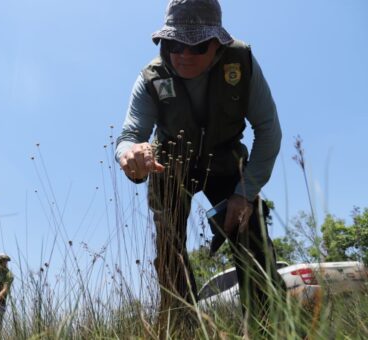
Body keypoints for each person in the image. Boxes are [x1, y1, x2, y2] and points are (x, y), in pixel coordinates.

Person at [115, 0, 284, 335]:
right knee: (168, 250)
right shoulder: (151, 77)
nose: (183, 54)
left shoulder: (242, 63)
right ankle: (183, 329)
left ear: (218, 43)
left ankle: (269, 329)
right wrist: (131, 157)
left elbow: (268, 130)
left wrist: (244, 193)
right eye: (174, 43)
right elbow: (129, 136)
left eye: (197, 45)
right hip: (170, 164)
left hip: (226, 162)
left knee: (251, 238)